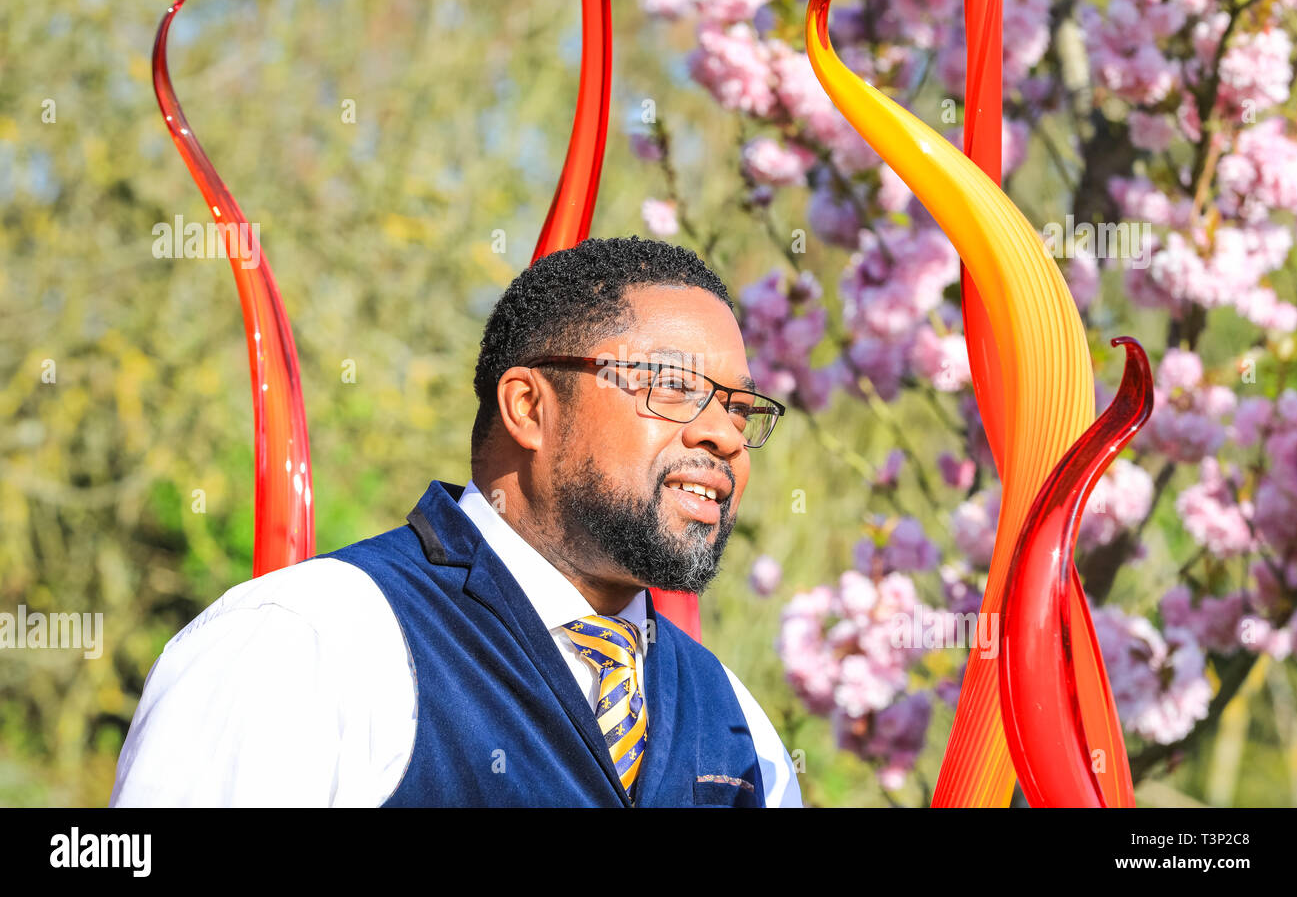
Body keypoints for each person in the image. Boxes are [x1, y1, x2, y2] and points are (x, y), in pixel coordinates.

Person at [110, 236, 802, 807]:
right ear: (530, 408)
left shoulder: (742, 731)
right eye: (675, 386)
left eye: (740, 408)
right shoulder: (308, 643)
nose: (726, 436)